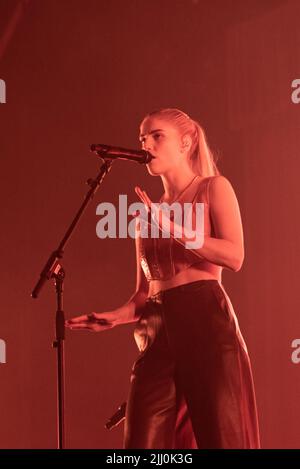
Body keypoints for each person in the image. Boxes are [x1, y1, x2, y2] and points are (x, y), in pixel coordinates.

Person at [65, 108, 261, 449]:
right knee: (141, 446)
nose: (147, 144)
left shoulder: (214, 188)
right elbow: (143, 295)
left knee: (223, 439)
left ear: (186, 142)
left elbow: (235, 256)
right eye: (143, 138)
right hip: (156, 330)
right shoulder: (146, 215)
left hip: (205, 323)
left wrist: (174, 229)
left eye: (158, 136)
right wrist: (114, 317)